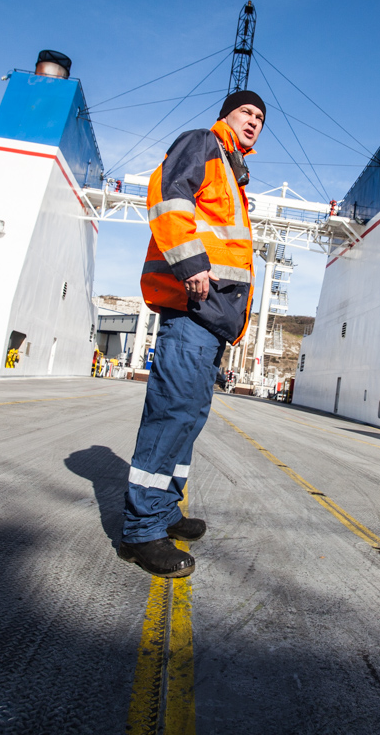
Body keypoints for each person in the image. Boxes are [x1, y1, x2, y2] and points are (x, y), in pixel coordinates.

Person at [117, 90, 265, 578]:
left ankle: (164, 511)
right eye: (246, 111)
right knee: (171, 413)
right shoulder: (203, 143)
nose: (254, 121)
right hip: (191, 307)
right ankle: (141, 532)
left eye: (260, 118)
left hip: (213, 319)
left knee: (189, 417)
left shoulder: (233, 172)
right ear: (226, 116)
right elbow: (167, 194)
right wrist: (191, 263)